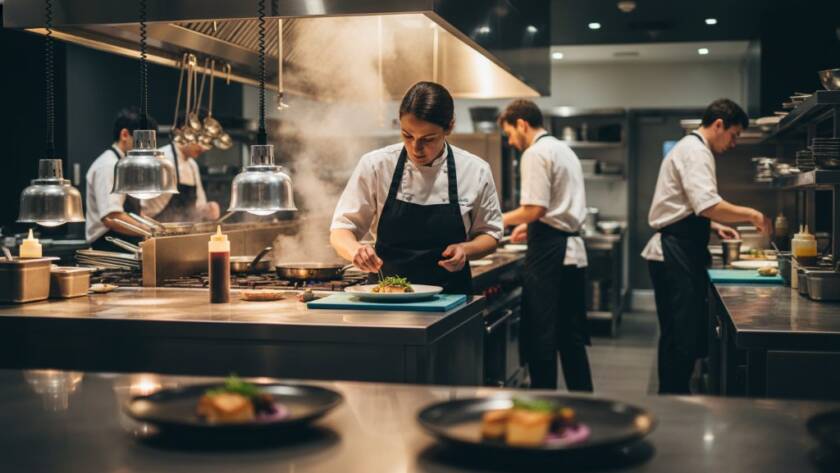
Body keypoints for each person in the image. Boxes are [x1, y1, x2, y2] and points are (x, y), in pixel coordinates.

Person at [642, 98, 771, 394]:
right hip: (674, 253)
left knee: (678, 335)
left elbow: (686, 207)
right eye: (734, 135)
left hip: (677, 249)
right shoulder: (696, 152)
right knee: (681, 337)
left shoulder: (691, 149)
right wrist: (752, 214)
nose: (734, 143)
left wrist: (714, 225)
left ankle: (672, 396)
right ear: (718, 125)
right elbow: (707, 204)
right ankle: (673, 400)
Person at [330, 81, 502, 294]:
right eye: (407, 135)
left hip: (450, 299)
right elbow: (341, 229)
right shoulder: (376, 165)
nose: (416, 148)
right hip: (386, 297)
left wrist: (465, 250)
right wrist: (355, 249)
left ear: (449, 127)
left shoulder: (475, 170)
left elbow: (490, 235)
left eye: (428, 139)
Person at [499, 99, 593, 392]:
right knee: (571, 339)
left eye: (510, 134)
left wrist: (497, 220)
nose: (512, 142)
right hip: (572, 253)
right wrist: (530, 226)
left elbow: (534, 208)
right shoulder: (564, 150)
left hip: (551, 256)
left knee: (542, 338)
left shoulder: (535, 153)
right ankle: (586, 402)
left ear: (522, 124)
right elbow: (554, 208)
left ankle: (544, 405)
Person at [85, 107, 155, 251]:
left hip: (127, 244)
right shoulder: (109, 165)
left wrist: (156, 226)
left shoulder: (126, 164)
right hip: (109, 248)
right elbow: (112, 218)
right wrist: (150, 231)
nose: (147, 149)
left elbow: (132, 212)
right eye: (143, 142)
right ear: (124, 134)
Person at [141, 113, 220, 222]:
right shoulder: (160, 160)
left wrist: (207, 209)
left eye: (207, 142)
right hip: (158, 231)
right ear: (185, 131)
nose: (204, 148)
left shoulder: (193, 165)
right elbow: (143, 209)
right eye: (201, 139)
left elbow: (197, 207)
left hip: (185, 232)